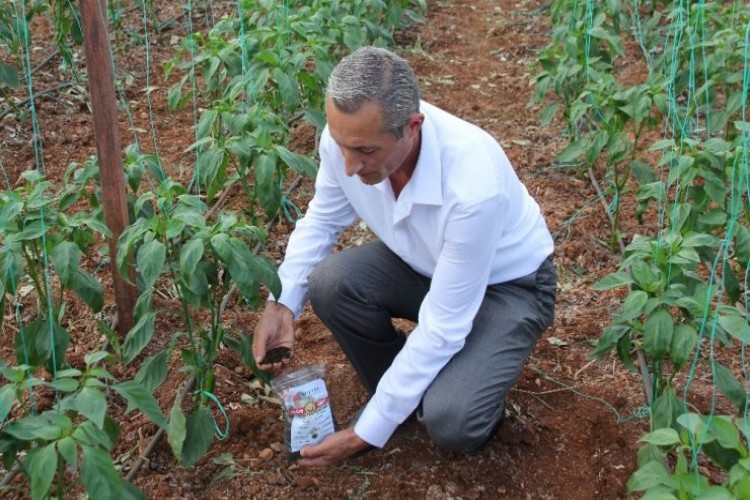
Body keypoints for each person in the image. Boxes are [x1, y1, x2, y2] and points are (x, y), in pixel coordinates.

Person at [253, 46, 556, 466]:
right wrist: (282, 303)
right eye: (341, 144)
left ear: (412, 126)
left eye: (365, 152)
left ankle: (459, 394)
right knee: (330, 283)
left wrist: (364, 433)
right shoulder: (348, 140)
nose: (349, 166)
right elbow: (321, 221)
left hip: (508, 287)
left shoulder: (473, 184)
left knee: (452, 419)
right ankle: (407, 396)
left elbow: (444, 326)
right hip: (426, 264)